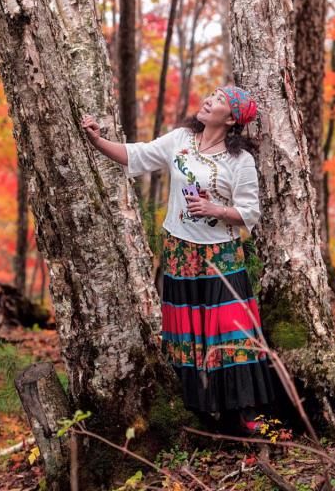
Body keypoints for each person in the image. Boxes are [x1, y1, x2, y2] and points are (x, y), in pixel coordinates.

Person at [81, 86, 276, 435]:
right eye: (212, 94)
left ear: (231, 119)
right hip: (181, 252)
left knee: (231, 331)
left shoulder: (240, 161)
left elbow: (250, 213)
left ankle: (242, 416)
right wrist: (97, 142)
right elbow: (137, 155)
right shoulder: (182, 139)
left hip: (222, 256)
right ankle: (200, 412)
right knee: (189, 333)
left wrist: (216, 209)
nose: (208, 100)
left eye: (218, 100)